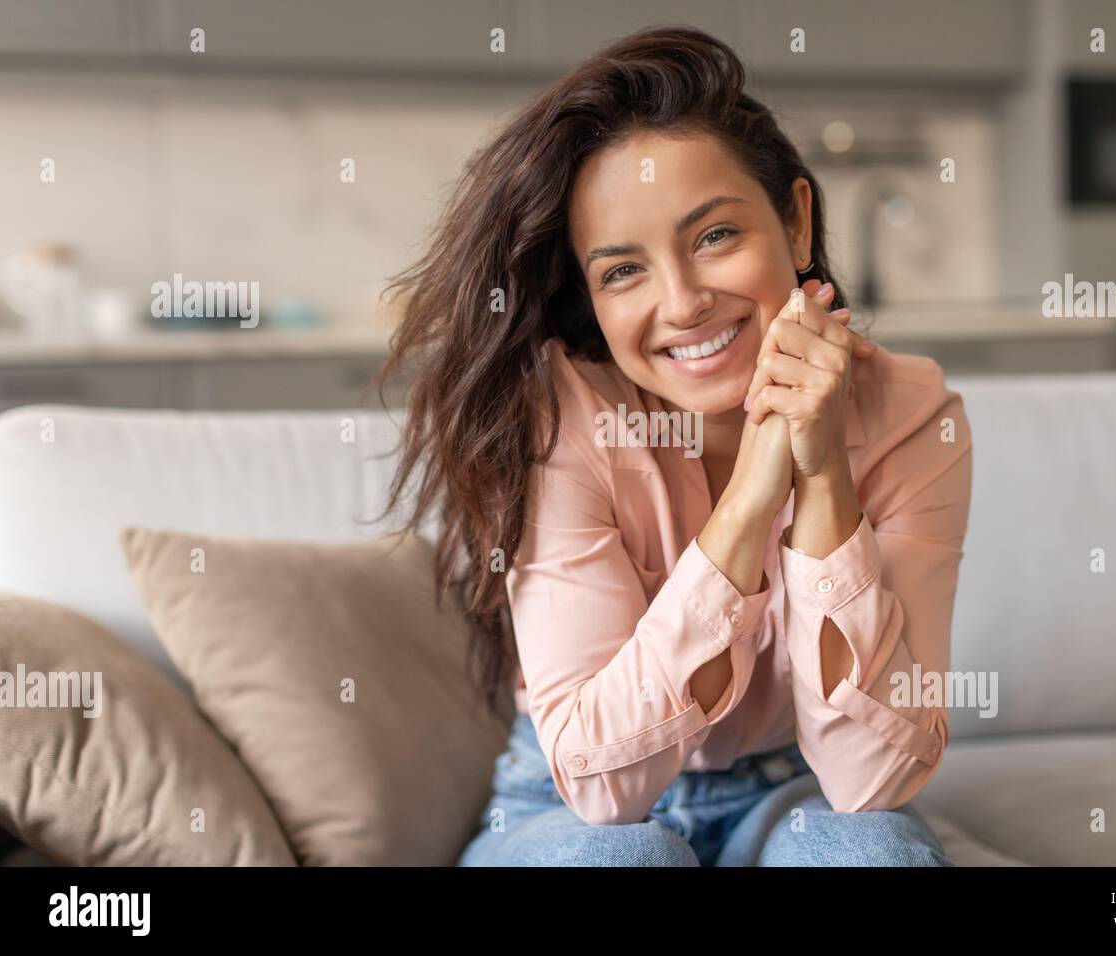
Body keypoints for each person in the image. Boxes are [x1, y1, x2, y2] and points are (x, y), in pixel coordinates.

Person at [373, 26, 972, 866]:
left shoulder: (912, 414)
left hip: (793, 784)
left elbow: (871, 776)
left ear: (795, 223)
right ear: (588, 293)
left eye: (715, 236)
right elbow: (602, 789)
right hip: (563, 808)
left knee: (872, 849)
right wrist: (752, 499)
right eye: (623, 271)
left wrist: (825, 473)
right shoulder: (562, 415)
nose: (684, 303)